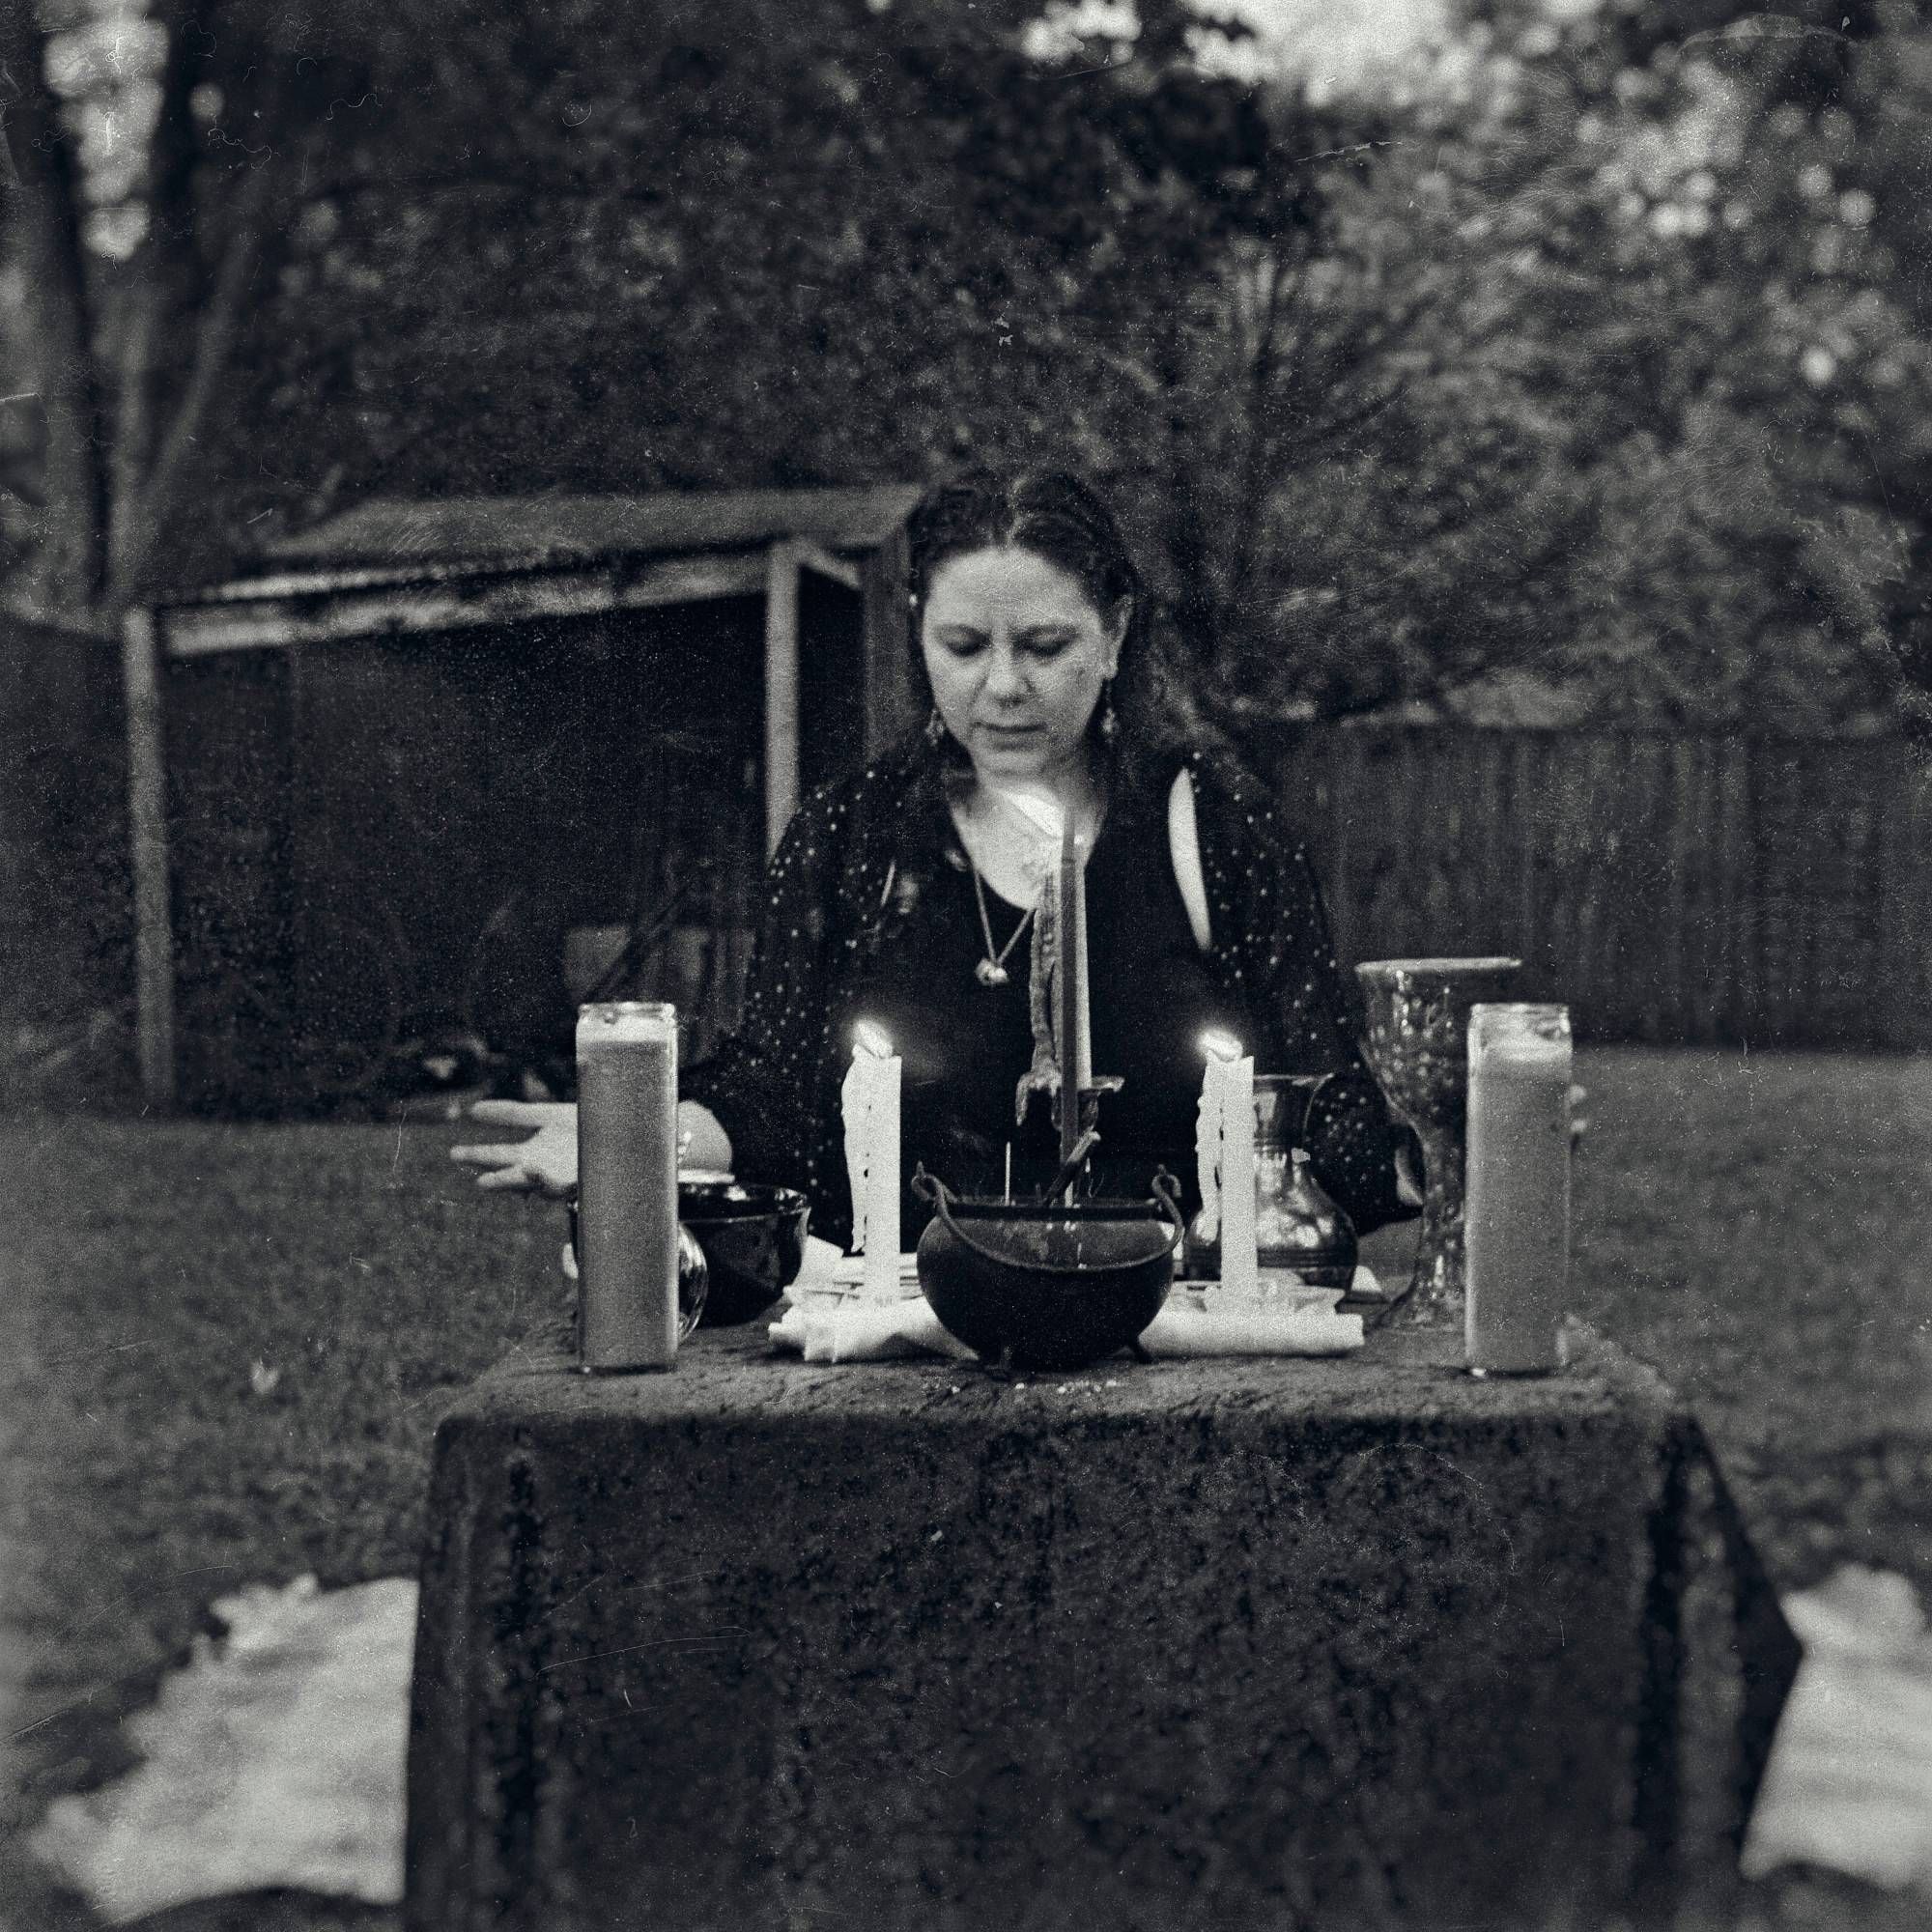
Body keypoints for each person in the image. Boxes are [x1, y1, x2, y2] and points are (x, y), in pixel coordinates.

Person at [454, 470, 1421, 1245]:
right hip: (908, 1335)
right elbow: (777, 1098)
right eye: (962, 645)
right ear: (917, 633)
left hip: (1172, 1324)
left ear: (1116, 633)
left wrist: (1447, 1141)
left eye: (1044, 645)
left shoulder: (1209, 825)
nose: (1000, 686)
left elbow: (1325, 1100)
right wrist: (638, 1142)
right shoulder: (851, 837)